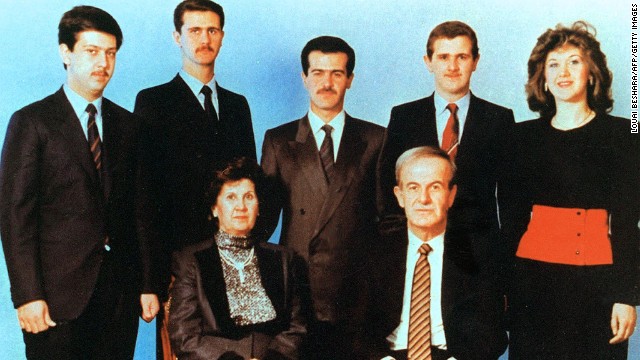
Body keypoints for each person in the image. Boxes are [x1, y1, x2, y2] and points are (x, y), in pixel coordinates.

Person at [0, 6, 159, 359]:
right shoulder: (32, 122)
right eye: (91, 51)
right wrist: (28, 295)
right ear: (66, 52)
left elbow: (140, 212)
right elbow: (15, 219)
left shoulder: (129, 127)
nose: (102, 62)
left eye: (110, 53)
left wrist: (148, 284)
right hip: (55, 301)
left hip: (119, 295)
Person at [500, 21, 639, 359]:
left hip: (598, 288)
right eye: (553, 64)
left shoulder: (624, 136)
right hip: (532, 286)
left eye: (574, 62)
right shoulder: (520, 139)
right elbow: (511, 222)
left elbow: (627, 224)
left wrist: (626, 296)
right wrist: (503, 292)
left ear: (592, 74)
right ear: (543, 78)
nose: (563, 72)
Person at [134, 0, 257, 357]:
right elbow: (144, 196)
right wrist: (150, 281)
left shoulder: (237, 106)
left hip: (235, 261)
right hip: (177, 265)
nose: (204, 39)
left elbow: (249, 187)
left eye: (212, 30)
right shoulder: (153, 102)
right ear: (177, 37)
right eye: (194, 30)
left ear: (222, 36)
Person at [261, 36, 384, 359]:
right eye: (317, 73)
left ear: (350, 80)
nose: (326, 83)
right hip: (297, 293)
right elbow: (261, 223)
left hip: (356, 296)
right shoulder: (278, 140)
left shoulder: (375, 139)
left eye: (336, 74)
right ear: (304, 78)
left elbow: (390, 222)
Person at [376, 21, 515, 279]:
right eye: (443, 57)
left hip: (478, 256)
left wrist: (503, 262)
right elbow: (386, 185)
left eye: (462, 57)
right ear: (428, 62)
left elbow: (510, 199)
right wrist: (398, 241)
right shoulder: (405, 117)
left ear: (475, 61)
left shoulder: (498, 119)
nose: (452, 67)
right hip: (417, 250)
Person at [368, 146, 507, 360]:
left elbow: (492, 334)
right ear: (400, 196)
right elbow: (351, 328)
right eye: (413, 188)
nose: (423, 199)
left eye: (435, 187)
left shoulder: (477, 254)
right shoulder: (373, 250)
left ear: (451, 196)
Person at [169, 157, 305, 360]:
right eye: (231, 197)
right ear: (215, 208)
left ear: (258, 208)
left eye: (249, 196)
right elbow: (184, 336)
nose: (241, 206)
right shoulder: (191, 261)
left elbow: (296, 328)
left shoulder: (284, 258)